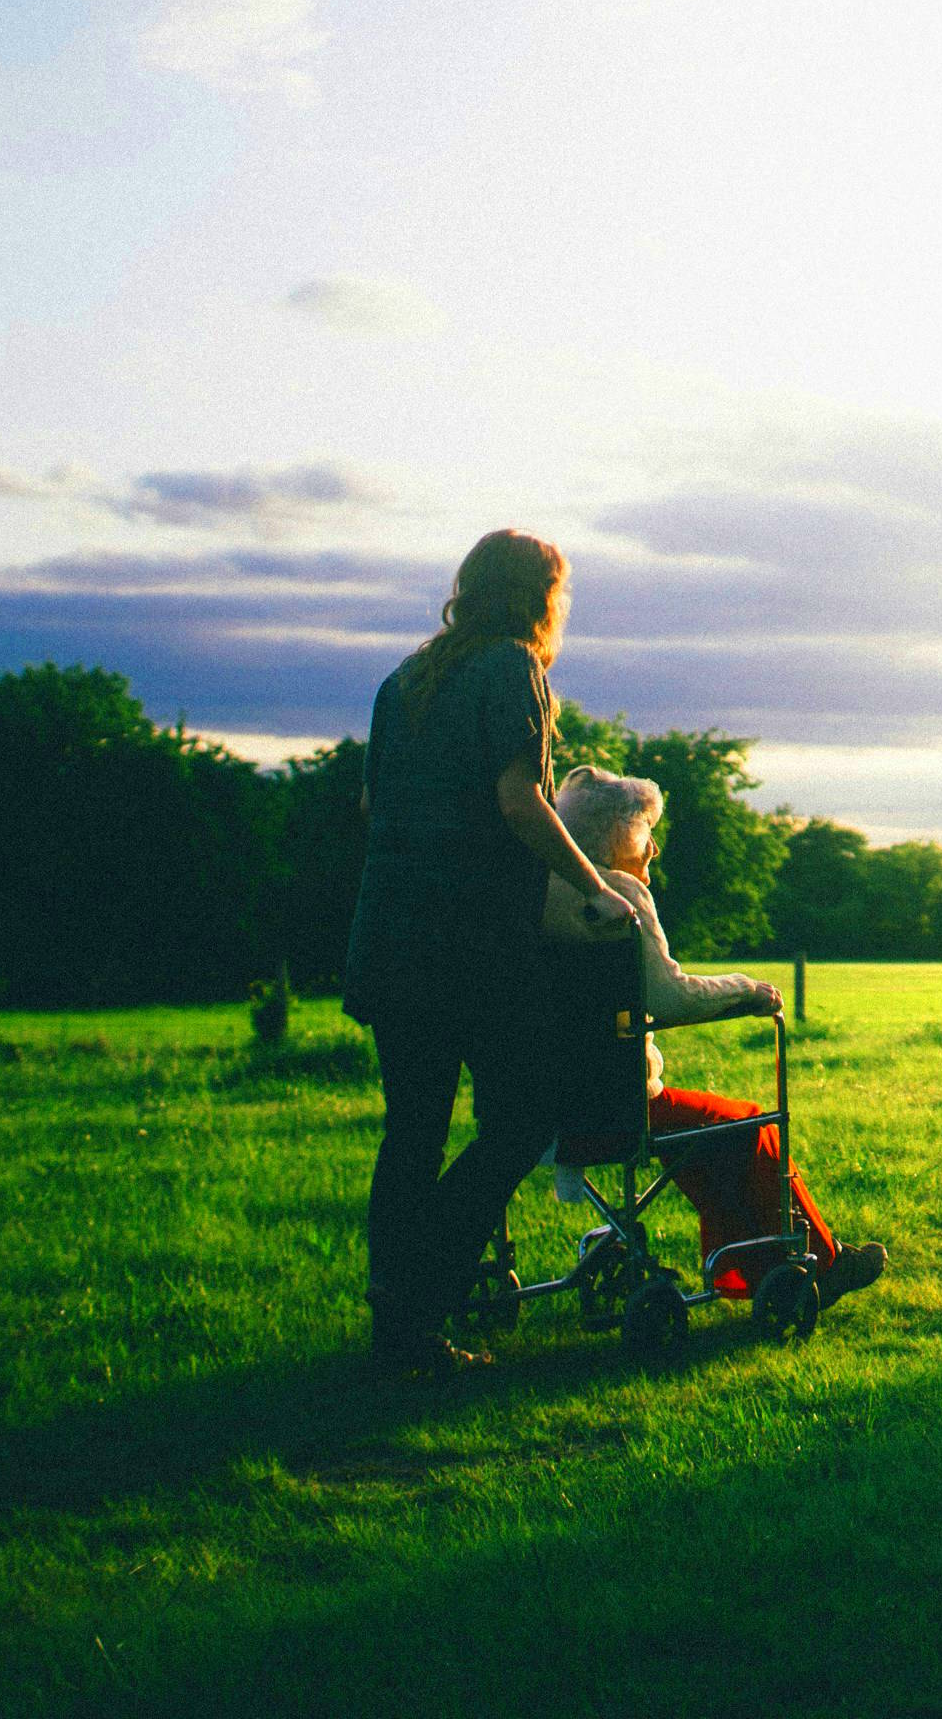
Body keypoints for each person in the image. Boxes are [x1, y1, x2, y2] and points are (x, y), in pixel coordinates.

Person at [343, 529, 637, 1373]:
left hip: (389, 934)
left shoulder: (403, 680)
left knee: (414, 1133)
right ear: (542, 595)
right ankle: (418, 1293)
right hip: (467, 945)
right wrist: (594, 886)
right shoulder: (514, 669)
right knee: (522, 1118)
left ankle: (397, 1323)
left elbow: (374, 803)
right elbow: (521, 801)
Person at [539, 766, 886, 1309]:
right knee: (747, 1122)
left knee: (709, 1134)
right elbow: (670, 998)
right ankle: (823, 1262)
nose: (653, 846)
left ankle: (746, 1272)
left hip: (541, 1105)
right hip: (615, 1106)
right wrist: (746, 990)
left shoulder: (536, 892)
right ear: (617, 835)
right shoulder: (618, 895)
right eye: (646, 830)